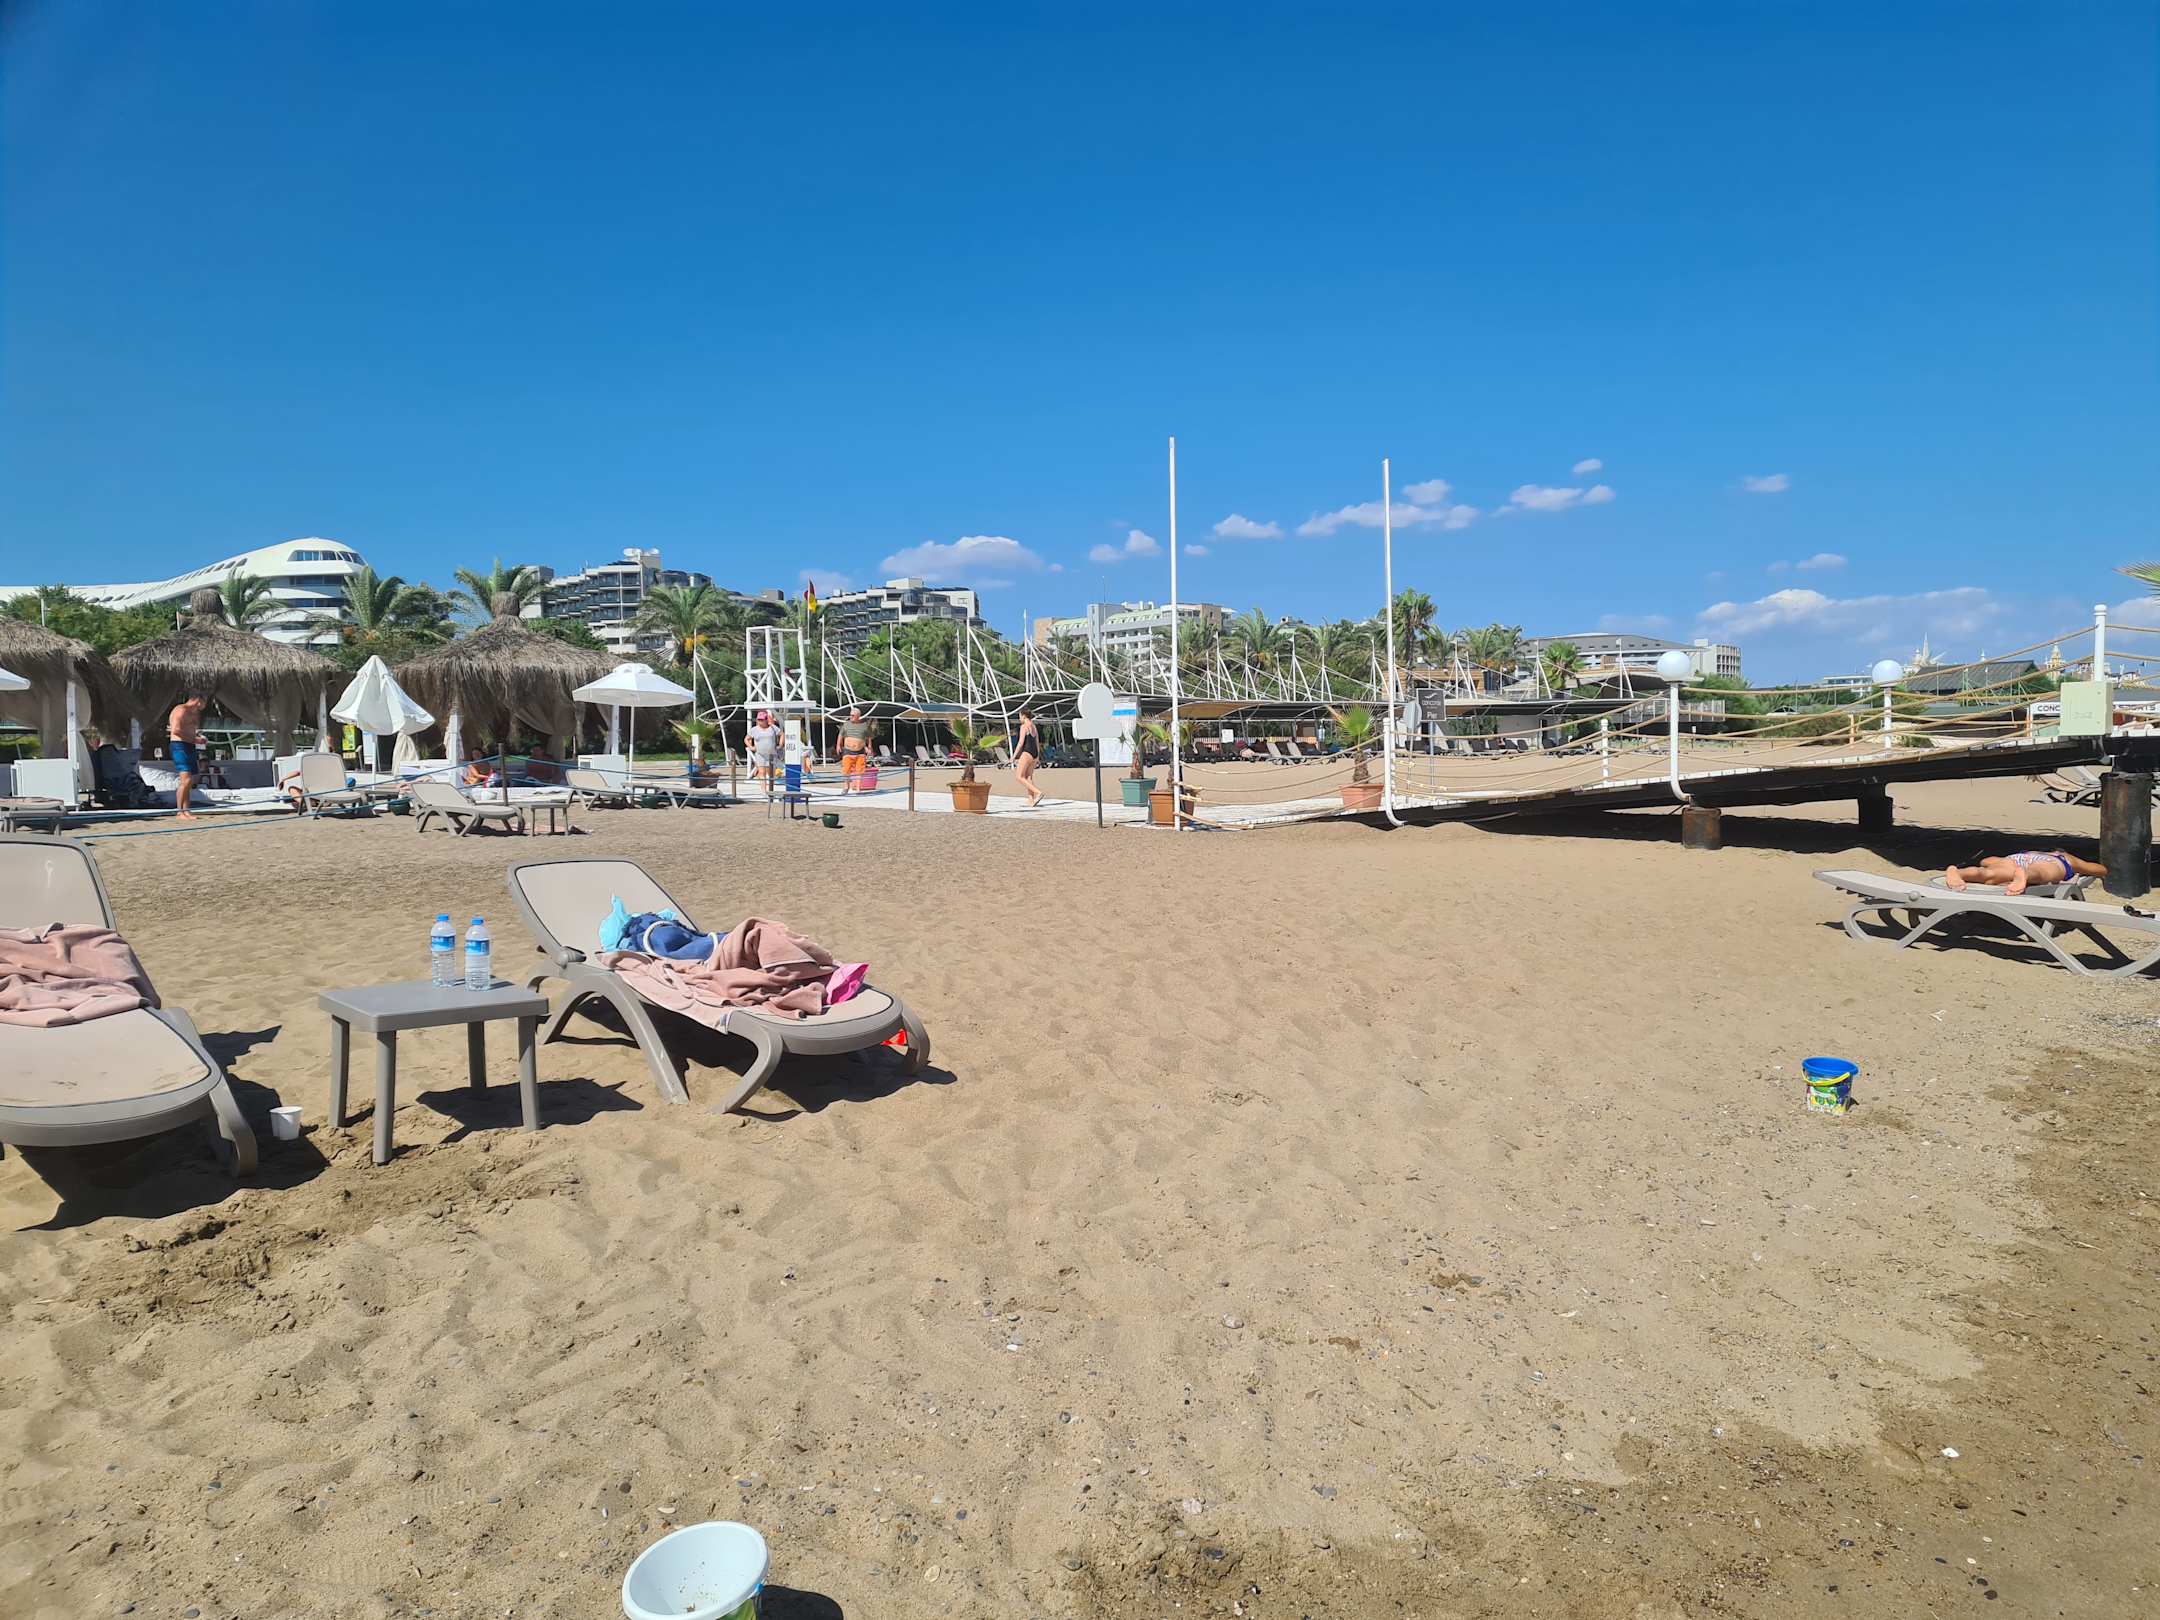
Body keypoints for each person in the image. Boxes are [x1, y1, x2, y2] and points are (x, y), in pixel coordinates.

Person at [1944, 849, 2105, 895]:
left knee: (1988, 875)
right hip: (2050, 862)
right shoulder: (2064, 857)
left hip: (2016, 858)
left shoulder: (2029, 852)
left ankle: (1959, 872)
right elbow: (2098, 869)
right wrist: (2100, 871)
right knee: (2041, 872)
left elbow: (1985, 861)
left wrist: (1998, 862)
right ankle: (2025, 874)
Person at [167, 693, 208, 821]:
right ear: (198, 700)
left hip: (190, 745)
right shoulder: (180, 710)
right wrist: (195, 739)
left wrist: (198, 738)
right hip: (179, 746)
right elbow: (175, 730)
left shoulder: (194, 714)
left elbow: (190, 729)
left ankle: (186, 810)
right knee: (186, 780)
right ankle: (179, 812)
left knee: (189, 781)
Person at [1013, 706, 1044, 808]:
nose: (1019, 718)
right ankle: (1031, 800)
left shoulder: (1024, 726)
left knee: (1019, 777)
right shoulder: (1033, 726)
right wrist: (1037, 756)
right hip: (1034, 753)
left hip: (1027, 752)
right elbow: (1037, 742)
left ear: (1023, 716)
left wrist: (1013, 756)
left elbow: (1021, 742)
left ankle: (1038, 792)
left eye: (1019, 716)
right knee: (1028, 777)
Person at [838, 707, 873, 792]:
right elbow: (840, 735)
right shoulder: (846, 724)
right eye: (850, 715)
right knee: (846, 770)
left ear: (858, 716)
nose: (851, 716)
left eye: (853, 715)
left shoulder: (864, 725)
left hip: (860, 752)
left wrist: (869, 747)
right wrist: (838, 745)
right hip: (848, 751)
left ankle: (858, 788)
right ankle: (846, 787)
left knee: (859, 771)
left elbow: (869, 737)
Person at [747, 709, 781, 783]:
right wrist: (751, 747)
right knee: (762, 772)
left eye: (762, 720)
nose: (760, 721)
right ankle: (763, 789)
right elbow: (746, 739)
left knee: (770, 773)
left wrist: (780, 745)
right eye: (758, 720)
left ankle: (771, 787)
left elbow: (781, 734)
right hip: (760, 754)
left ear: (766, 720)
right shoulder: (754, 729)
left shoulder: (773, 728)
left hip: (771, 754)